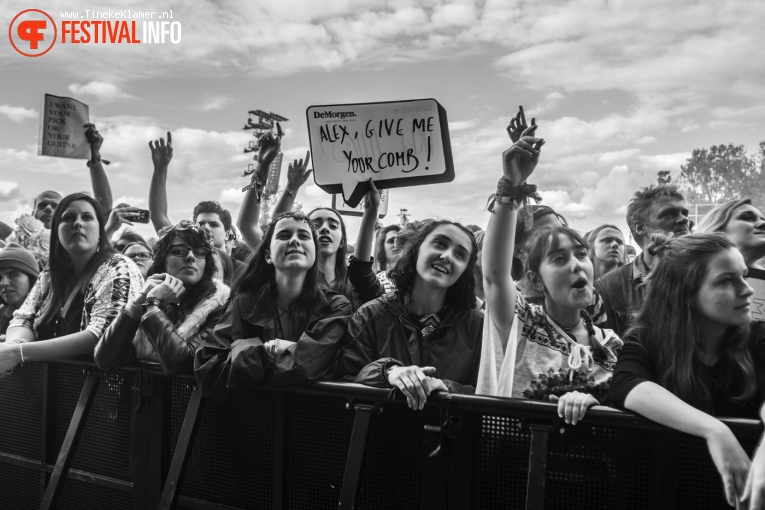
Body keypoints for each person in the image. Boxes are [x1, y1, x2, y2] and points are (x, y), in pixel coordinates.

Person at [478, 107, 622, 426]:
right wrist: (510, 186)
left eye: (581, 254)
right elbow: (494, 275)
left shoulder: (612, 344)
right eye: (558, 258)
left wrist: (594, 403)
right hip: (515, 472)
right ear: (535, 277)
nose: (575, 265)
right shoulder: (520, 323)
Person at [608, 233, 765, 507]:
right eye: (727, 280)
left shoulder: (757, 337)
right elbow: (627, 384)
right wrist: (716, 431)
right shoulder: (647, 340)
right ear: (685, 293)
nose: (747, 289)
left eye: (744, 275)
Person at [194, 211, 352, 400]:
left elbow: (305, 367)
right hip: (251, 418)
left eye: (303, 236)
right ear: (268, 255)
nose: (295, 241)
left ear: (315, 253)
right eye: (284, 236)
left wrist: (244, 349)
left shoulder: (336, 307)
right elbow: (208, 366)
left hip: (313, 419)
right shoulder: (244, 302)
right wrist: (277, 349)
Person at [337, 217, 483, 409]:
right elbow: (344, 380)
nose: (447, 256)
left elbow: (490, 390)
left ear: (465, 270)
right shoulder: (370, 315)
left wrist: (447, 388)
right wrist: (387, 372)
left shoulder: (478, 326)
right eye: (440, 243)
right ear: (416, 250)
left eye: (460, 254)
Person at [0, 193, 143, 373]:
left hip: (102, 393)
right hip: (48, 392)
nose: (77, 223)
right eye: (68, 218)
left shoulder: (120, 267)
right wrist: (14, 345)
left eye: (87, 217)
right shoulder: (51, 273)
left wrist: (18, 352)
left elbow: (103, 334)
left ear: (100, 230)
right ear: (56, 232)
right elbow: (24, 317)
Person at [94, 221, 229, 376]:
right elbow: (104, 360)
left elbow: (182, 364)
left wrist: (152, 306)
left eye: (200, 252)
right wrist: (138, 302)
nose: (191, 257)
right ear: (162, 259)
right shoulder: (149, 292)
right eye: (179, 251)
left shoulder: (221, 304)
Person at [146, 131, 244, 284]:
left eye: (213, 224)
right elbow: (158, 215)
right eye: (201, 223)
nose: (205, 227)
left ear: (227, 234)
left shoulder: (242, 271)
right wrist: (160, 168)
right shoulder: (184, 258)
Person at [595, 185, 690, 337]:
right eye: (669, 214)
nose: (684, 219)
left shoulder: (705, 274)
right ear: (640, 227)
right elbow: (607, 353)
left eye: (685, 213)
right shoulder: (609, 287)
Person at [697, 199, 765, 270]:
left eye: (763, 219)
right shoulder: (689, 276)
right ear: (718, 230)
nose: (763, 223)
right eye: (747, 218)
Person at [0, 243, 39, 337]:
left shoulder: (48, 313)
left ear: (32, 279)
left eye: (13, 275)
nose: (4, 283)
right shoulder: (2, 314)